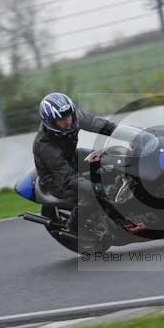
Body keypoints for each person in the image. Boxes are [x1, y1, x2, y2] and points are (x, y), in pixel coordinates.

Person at [33, 92, 117, 236]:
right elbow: (68, 178)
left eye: (69, 116)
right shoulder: (45, 145)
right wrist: (97, 188)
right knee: (92, 193)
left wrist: (125, 134)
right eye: (62, 120)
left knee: (110, 159)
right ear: (50, 122)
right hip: (56, 178)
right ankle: (74, 227)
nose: (68, 122)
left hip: (72, 157)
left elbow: (102, 125)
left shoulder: (73, 118)